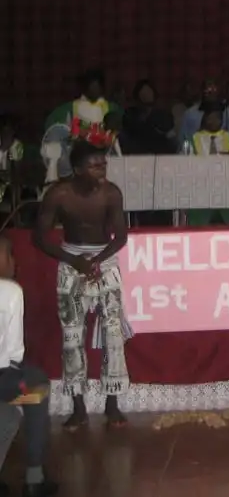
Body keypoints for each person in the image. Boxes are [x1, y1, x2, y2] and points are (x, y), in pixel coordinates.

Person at [33, 140, 132, 431]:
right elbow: (39, 237)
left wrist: (97, 261)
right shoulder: (58, 194)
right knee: (72, 337)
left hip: (105, 262)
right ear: (76, 169)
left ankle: (112, 405)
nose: (101, 168)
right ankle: (78, 408)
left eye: (103, 163)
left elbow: (121, 236)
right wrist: (75, 262)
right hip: (70, 261)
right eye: (94, 165)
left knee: (114, 334)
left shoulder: (111, 193)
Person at [0, 236, 57, 497]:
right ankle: (34, 478)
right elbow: (14, 353)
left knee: (7, 413)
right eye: (11, 256)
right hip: (4, 378)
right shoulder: (11, 292)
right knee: (36, 385)